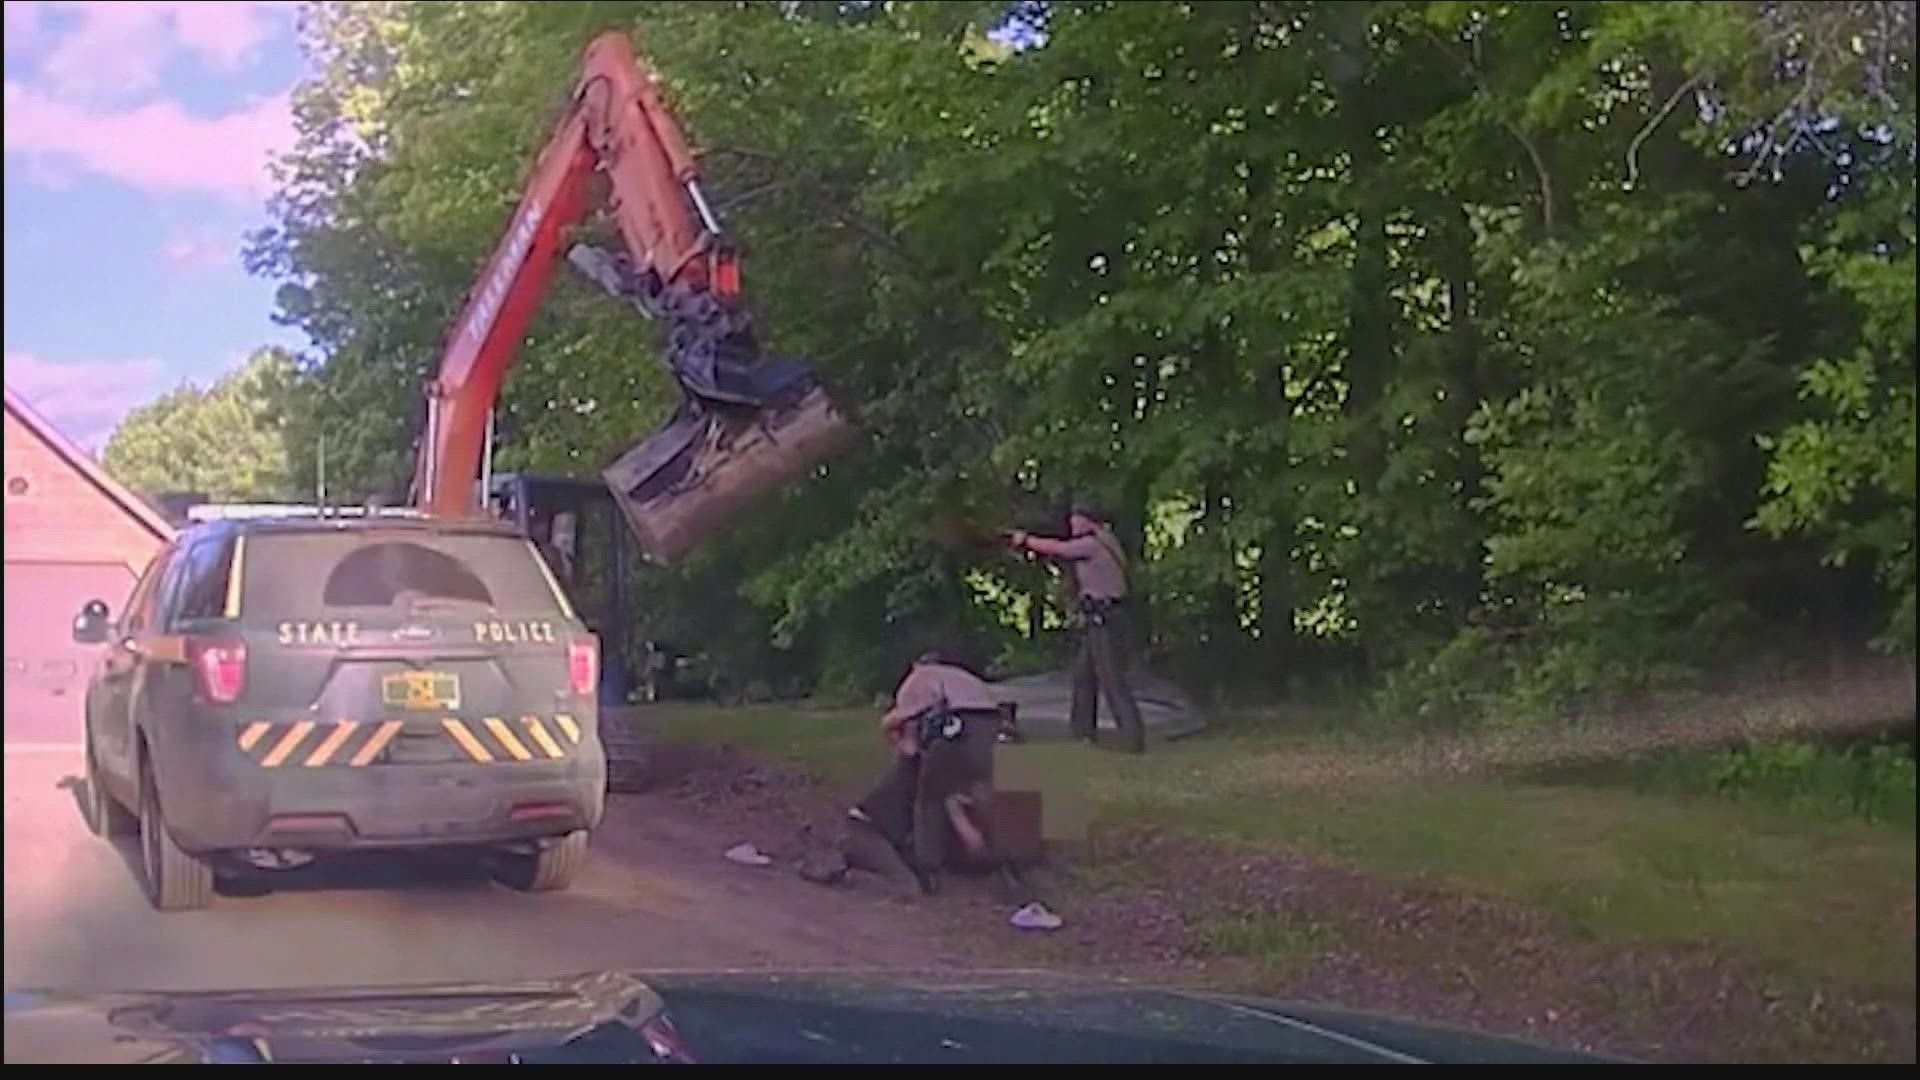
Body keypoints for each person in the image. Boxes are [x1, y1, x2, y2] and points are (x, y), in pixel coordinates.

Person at [845, 649, 1004, 894]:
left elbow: (901, 734)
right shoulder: (959, 676)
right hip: (994, 727)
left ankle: (928, 866)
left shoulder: (916, 681)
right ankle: (996, 855)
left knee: (929, 799)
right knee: (968, 791)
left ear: (913, 664)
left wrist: (900, 742)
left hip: (958, 727)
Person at [1008, 502, 1147, 753]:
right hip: (1102, 618)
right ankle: (1083, 733)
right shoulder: (1107, 540)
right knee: (1083, 676)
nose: (1072, 524)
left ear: (1087, 521)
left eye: (1076, 519)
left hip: (1103, 619)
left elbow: (1059, 549)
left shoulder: (1092, 545)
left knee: (1111, 679)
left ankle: (1132, 738)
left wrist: (1026, 540)